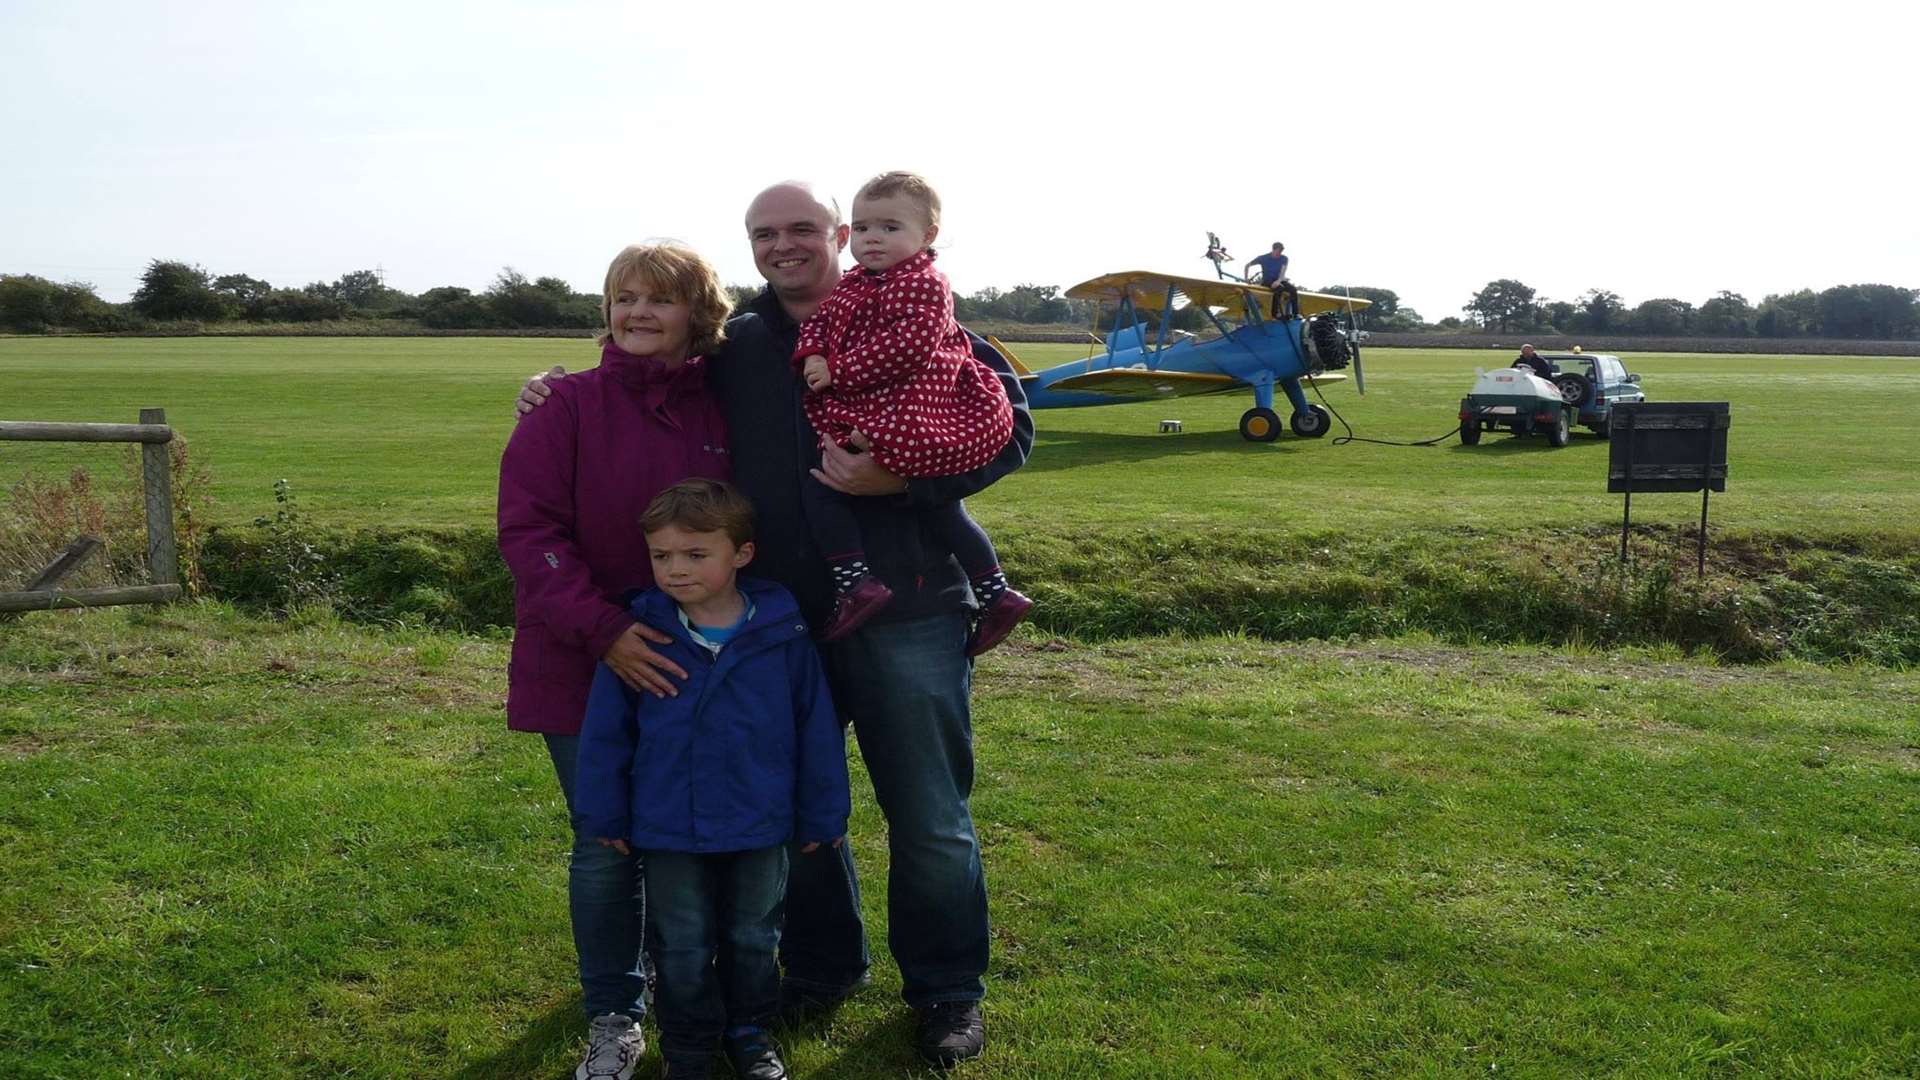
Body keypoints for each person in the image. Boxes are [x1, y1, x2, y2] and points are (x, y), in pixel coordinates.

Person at [518, 180, 1032, 1068]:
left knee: (929, 814)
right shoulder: (742, 344)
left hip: (906, 607)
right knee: (791, 805)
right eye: (765, 233)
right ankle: (825, 969)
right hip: (779, 623)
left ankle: (948, 991)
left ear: (837, 235)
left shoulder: (913, 310)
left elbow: (1011, 428)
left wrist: (906, 482)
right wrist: (555, 386)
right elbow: (653, 370)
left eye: (802, 229)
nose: (783, 245)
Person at [498, 242, 733, 1080]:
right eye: (622, 297)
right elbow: (529, 533)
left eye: (658, 300)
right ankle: (613, 1012)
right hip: (581, 657)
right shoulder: (563, 405)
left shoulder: (726, 403)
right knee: (606, 839)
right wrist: (605, 633)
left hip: (700, 662)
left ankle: (696, 1001)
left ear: (697, 314)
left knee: (689, 836)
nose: (635, 313)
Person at [576, 479, 850, 1080]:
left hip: (762, 822)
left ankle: (749, 1031)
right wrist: (604, 814)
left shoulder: (783, 633)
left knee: (755, 936)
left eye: (695, 554)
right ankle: (690, 1044)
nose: (675, 570)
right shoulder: (640, 638)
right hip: (668, 825)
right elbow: (606, 735)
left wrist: (825, 814)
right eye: (661, 556)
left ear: (741, 554)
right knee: (681, 942)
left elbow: (816, 728)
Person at [792, 171, 1031, 652]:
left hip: (910, 415)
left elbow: (909, 347)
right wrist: (813, 353)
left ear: (928, 236)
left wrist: (838, 368)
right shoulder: (856, 283)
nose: (872, 238)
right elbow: (819, 320)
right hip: (883, 413)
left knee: (825, 489)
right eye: (862, 228)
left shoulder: (925, 284)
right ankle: (995, 592)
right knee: (940, 510)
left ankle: (857, 584)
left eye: (889, 227)